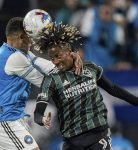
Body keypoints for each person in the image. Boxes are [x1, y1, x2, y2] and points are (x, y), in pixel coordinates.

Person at [34, 22, 138, 150]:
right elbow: (38, 111)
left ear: (71, 52)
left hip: (98, 135)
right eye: (52, 58)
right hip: (72, 140)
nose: (55, 61)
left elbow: (113, 89)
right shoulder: (51, 80)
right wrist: (42, 119)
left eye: (58, 56)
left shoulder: (90, 68)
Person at [0, 17, 82, 150]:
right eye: (30, 36)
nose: (32, 40)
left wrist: (68, 62)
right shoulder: (14, 58)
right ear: (22, 37)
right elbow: (46, 82)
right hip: (6, 120)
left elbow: (47, 66)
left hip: (14, 117)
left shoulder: (16, 53)